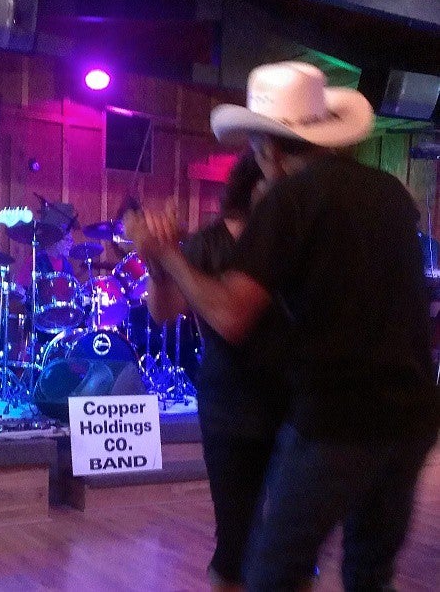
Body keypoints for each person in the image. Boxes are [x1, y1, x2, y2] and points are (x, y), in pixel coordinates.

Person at [125, 61, 439, 591]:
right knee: (369, 573)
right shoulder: (390, 193)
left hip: (337, 419)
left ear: (267, 147)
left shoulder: (293, 198)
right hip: (413, 416)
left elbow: (231, 316)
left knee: (273, 572)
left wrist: (166, 252)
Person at [148, 152, 291, 589]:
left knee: (290, 537)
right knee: (235, 539)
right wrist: (159, 264)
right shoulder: (209, 243)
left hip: (292, 397)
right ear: (255, 185)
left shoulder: (292, 238)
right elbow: (164, 311)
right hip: (231, 402)